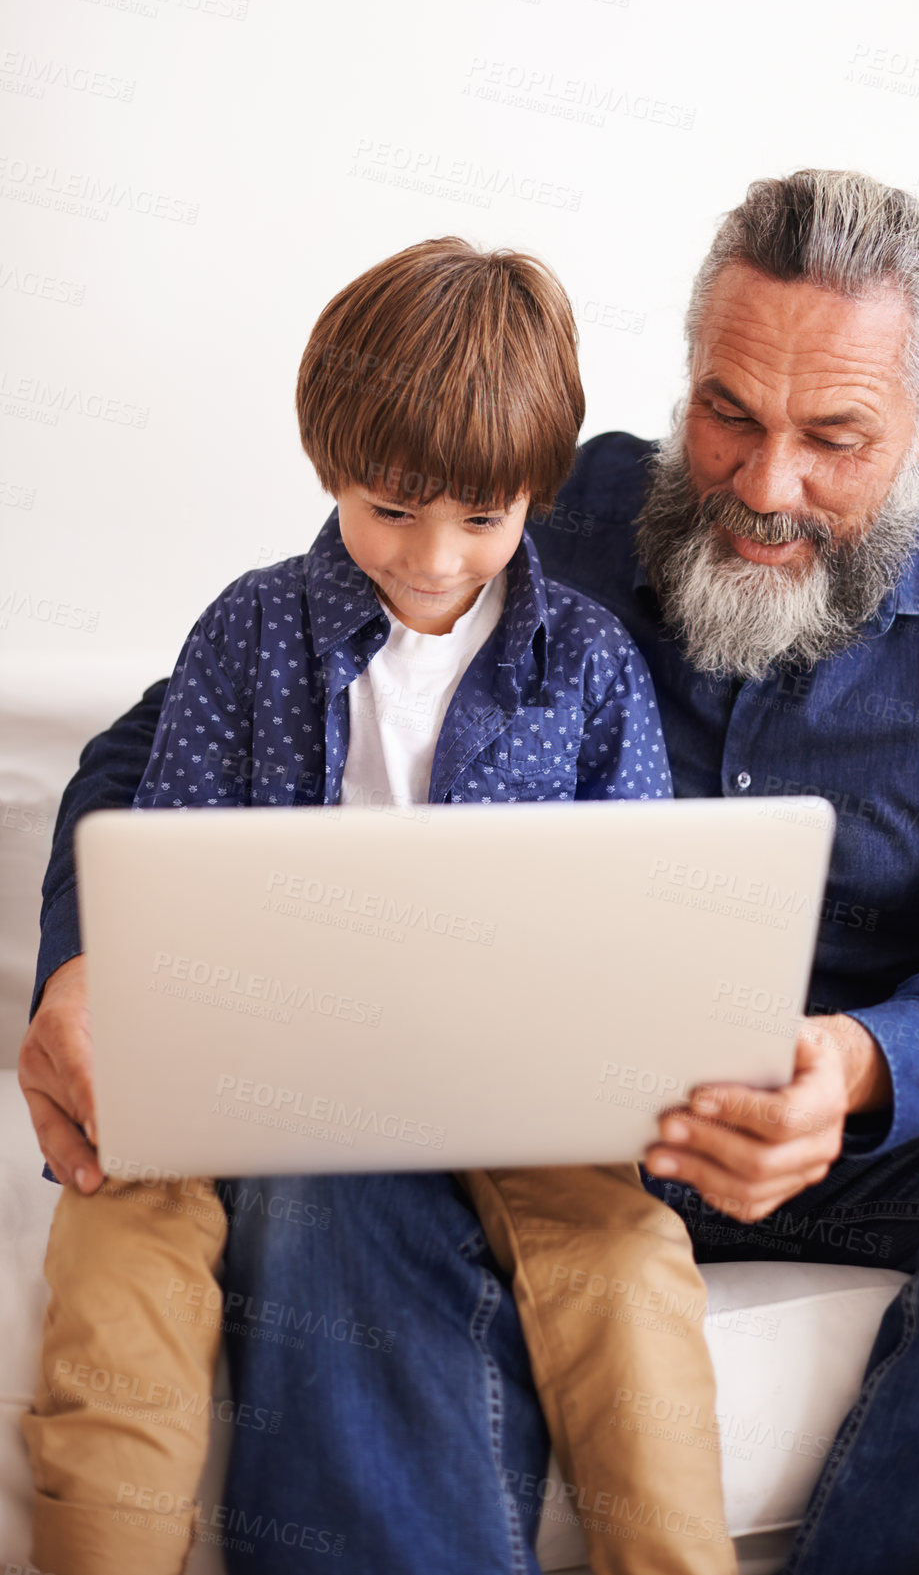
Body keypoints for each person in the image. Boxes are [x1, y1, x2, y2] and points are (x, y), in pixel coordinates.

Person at [20, 168, 919, 1575]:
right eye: (728, 414)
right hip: (525, 1104)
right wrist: (86, 963)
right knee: (328, 1154)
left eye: (835, 435)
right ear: (688, 370)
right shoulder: (520, 501)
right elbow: (178, 728)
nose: (766, 486)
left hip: (838, 1120)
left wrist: (863, 1064)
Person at [19, 239, 736, 1575]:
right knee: (116, 1284)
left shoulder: (586, 663)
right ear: (329, 466)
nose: (432, 557)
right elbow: (160, 856)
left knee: (631, 1270)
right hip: (239, 1067)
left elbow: (640, 907)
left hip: (511, 1087)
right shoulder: (248, 630)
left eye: (482, 517)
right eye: (391, 508)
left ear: (537, 492)